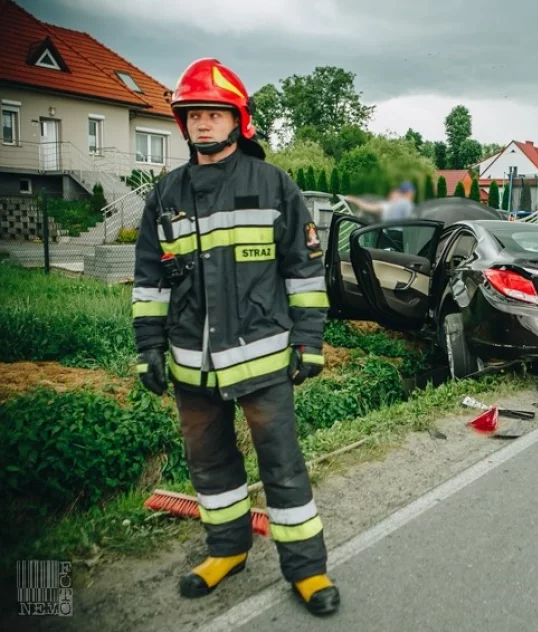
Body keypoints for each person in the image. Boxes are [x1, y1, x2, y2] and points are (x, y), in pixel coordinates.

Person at [131, 58, 340, 617]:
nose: (202, 124)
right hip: (190, 363)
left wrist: (310, 340)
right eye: (193, 114)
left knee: (282, 463)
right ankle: (227, 550)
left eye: (213, 114)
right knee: (210, 463)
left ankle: (307, 569)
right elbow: (150, 278)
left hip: (262, 359)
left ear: (238, 120)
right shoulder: (166, 194)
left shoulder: (274, 185)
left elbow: (303, 270)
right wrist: (148, 346)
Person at [345, 181, 415, 222]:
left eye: (397, 194)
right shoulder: (386, 205)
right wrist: (353, 199)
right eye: (393, 194)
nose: (395, 196)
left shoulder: (402, 204)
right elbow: (368, 207)